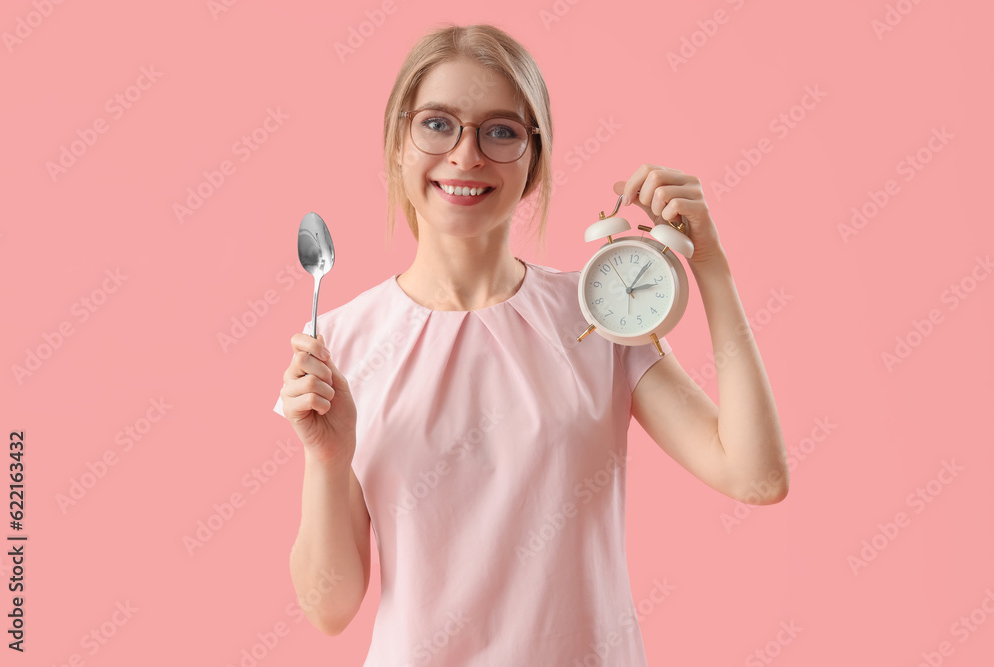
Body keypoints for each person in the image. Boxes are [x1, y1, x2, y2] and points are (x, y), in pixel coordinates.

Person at [273, 22, 787, 666]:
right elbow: (329, 608)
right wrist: (327, 456)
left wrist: (710, 263)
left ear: (534, 161)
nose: (466, 156)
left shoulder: (598, 318)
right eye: (437, 123)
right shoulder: (341, 342)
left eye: (500, 130)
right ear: (397, 144)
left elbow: (757, 476)